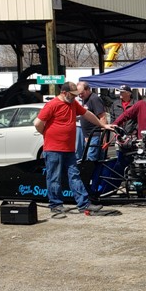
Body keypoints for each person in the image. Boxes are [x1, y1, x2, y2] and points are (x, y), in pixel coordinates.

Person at [33, 82, 110, 217]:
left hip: (69, 148)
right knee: (54, 177)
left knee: (74, 175)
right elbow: (37, 123)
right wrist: (46, 134)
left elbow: (87, 114)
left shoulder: (73, 104)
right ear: (64, 93)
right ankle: (56, 205)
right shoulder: (52, 104)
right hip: (53, 148)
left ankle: (84, 204)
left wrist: (102, 125)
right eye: (73, 94)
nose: (75, 97)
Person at [76, 81, 107, 161]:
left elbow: (102, 117)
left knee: (91, 159)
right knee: (88, 158)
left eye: (82, 93)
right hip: (88, 136)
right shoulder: (84, 99)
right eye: (78, 94)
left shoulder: (94, 99)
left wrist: (103, 135)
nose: (80, 95)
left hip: (94, 135)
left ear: (87, 90)